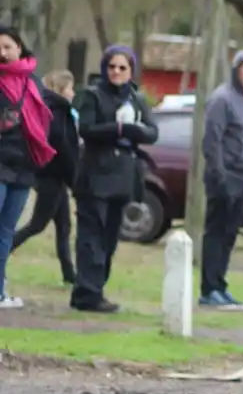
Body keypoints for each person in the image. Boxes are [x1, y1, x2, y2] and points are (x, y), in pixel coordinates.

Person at [71, 46, 158, 312]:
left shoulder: (136, 99)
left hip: (122, 176)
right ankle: (87, 293)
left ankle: (96, 287)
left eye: (122, 68)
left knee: (109, 238)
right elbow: (86, 129)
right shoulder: (92, 95)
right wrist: (118, 129)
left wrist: (135, 131)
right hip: (95, 174)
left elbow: (152, 132)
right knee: (91, 236)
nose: (116, 72)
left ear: (131, 71)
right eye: (112, 67)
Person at [0, 27, 57, 308]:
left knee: (6, 231)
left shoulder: (33, 83)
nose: (2, 52)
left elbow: (46, 119)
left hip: (24, 166)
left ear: (19, 48)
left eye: (7, 46)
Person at [200, 50, 243, 309]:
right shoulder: (222, 99)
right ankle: (208, 289)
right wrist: (220, 175)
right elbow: (211, 141)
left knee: (229, 235)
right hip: (225, 176)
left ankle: (220, 285)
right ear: (236, 70)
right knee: (216, 233)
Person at [13, 70, 80, 285]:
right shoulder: (57, 113)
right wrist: (74, 178)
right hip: (50, 176)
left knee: (64, 226)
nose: (73, 92)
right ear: (61, 89)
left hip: (55, 178)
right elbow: (61, 147)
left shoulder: (57, 110)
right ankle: (5, 248)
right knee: (37, 224)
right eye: (70, 88)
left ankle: (69, 274)